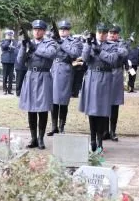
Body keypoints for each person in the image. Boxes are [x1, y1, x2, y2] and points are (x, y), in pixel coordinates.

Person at [79, 23, 126, 152]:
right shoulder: (90, 43)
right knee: (92, 111)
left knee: (102, 112)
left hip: (105, 78)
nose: (102, 34)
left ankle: (100, 141)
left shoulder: (112, 45)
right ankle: (93, 139)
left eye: (104, 33)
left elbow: (112, 59)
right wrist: (88, 44)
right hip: (92, 77)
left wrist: (100, 51)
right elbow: (84, 58)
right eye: (99, 32)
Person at [17, 20, 58, 149]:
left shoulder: (50, 43)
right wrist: (24, 47)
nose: (37, 31)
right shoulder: (29, 43)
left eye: (40, 29)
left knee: (43, 109)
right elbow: (19, 61)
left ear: (44, 31)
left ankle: (41, 138)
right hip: (30, 76)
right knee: (31, 109)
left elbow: (51, 54)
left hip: (44, 76)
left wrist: (36, 49)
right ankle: (33, 137)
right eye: (35, 29)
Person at [49, 20, 82, 136]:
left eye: (65, 29)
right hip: (53, 68)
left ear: (69, 30)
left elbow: (74, 53)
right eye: (61, 29)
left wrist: (61, 43)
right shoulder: (52, 39)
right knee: (53, 100)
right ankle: (54, 127)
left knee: (63, 101)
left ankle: (61, 126)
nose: (63, 31)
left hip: (65, 69)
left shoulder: (74, 41)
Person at [105, 25, 128, 141]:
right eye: (110, 32)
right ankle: (104, 131)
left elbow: (124, 53)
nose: (112, 35)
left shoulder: (121, 44)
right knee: (103, 103)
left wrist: (114, 47)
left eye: (115, 33)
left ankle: (112, 131)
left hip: (116, 74)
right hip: (104, 73)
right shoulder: (103, 43)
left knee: (114, 105)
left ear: (118, 34)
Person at [0, 29, 17, 94]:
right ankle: (4, 89)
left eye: (10, 34)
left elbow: (16, 47)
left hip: (12, 60)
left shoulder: (13, 41)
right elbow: (4, 47)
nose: (9, 36)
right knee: (5, 76)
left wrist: (12, 40)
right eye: (8, 34)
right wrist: (7, 40)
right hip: (5, 60)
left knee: (11, 76)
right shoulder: (3, 41)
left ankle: (10, 90)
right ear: (6, 35)